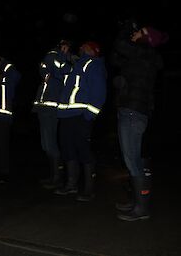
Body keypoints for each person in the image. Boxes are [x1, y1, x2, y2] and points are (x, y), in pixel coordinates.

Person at [110, 23, 169, 221]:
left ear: (147, 39)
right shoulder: (141, 54)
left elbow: (120, 45)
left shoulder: (145, 53)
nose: (135, 33)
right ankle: (136, 202)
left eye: (140, 32)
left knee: (132, 161)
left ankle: (141, 209)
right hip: (129, 110)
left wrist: (126, 30)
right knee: (131, 160)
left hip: (134, 112)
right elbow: (116, 57)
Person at [54, 41, 107, 201]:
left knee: (83, 150)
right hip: (66, 116)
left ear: (92, 50)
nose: (81, 47)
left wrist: (89, 115)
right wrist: (63, 55)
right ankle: (71, 184)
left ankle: (89, 189)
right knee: (67, 149)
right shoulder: (75, 65)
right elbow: (58, 72)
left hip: (80, 116)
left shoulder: (94, 64)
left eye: (84, 46)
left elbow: (99, 92)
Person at [32, 39, 74, 189]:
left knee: (51, 143)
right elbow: (46, 68)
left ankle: (57, 177)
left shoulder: (64, 61)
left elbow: (60, 70)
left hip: (51, 108)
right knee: (45, 144)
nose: (63, 49)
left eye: (66, 46)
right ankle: (53, 175)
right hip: (42, 107)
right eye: (61, 46)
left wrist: (64, 57)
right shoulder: (53, 57)